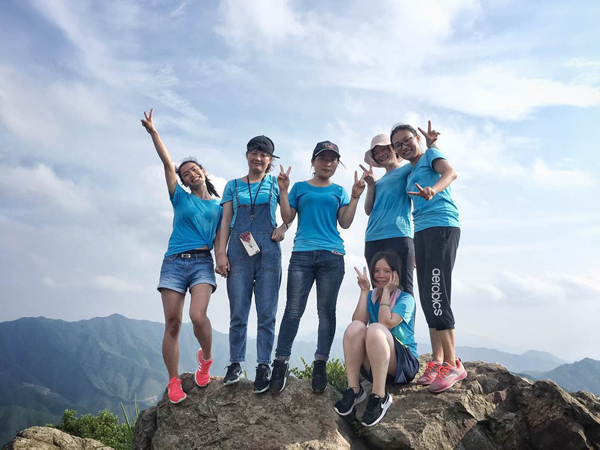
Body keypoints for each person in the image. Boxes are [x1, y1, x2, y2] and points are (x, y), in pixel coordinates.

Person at [270, 141, 366, 394]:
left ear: (337, 163)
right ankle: (280, 362)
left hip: (332, 255)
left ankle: (320, 363)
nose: (328, 163)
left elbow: (345, 223)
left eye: (333, 159)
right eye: (323, 158)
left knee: (326, 312)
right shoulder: (300, 188)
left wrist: (355, 196)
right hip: (302, 254)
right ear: (313, 162)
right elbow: (288, 217)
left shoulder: (339, 191)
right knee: (293, 310)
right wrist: (283, 190)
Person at [141, 109, 222, 404]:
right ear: (183, 181)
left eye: (194, 169)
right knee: (173, 323)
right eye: (185, 173)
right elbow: (167, 163)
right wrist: (154, 132)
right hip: (174, 262)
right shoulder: (180, 197)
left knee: (197, 316)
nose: (191, 174)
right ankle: (173, 380)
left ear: (203, 172)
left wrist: (223, 260)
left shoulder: (220, 207)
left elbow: (222, 237)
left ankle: (206, 359)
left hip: (202, 263)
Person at [390, 122, 465, 393]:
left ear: (416, 138)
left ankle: (453, 365)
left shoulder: (431, 155)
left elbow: (450, 173)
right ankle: (437, 361)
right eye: (398, 145)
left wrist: (434, 189)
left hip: (441, 226)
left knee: (437, 294)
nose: (403, 147)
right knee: (427, 298)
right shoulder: (410, 171)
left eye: (406, 140)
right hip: (422, 232)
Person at [215, 135, 287, 394]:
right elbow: (225, 220)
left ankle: (263, 365)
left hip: (269, 252)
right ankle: (235, 364)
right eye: (254, 152)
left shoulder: (276, 183)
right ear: (246, 155)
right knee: (238, 311)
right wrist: (220, 254)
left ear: (270, 159)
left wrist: (284, 227)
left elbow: (290, 213)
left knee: (267, 312)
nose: (258, 158)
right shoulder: (232, 186)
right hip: (238, 250)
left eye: (263, 154)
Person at [334, 251, 418, 426]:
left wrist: (386, 292)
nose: (381, 275)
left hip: (403, 365)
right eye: (377, 271)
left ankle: (380, 396)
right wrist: (365, 291)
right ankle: (354, 390)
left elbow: (385, 322)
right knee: (355, 327)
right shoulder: (372, 297)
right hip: (377, 365)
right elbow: (358, 322)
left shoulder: (406, 299)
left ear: (396, 274)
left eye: (387, 271)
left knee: (375, 328)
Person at [360, 127, 440, 296]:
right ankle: (380, 316)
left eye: (384, 149)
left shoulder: (406, 169)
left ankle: (404, 316)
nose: (381, 154)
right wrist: (371, 185)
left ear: (394, 149)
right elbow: (368, 210)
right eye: (376, 153)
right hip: (373, 238)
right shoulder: (377, 182)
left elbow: (427, 159)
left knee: (403, 289)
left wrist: (432, 144)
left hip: (399, 235)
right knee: (379, 290)